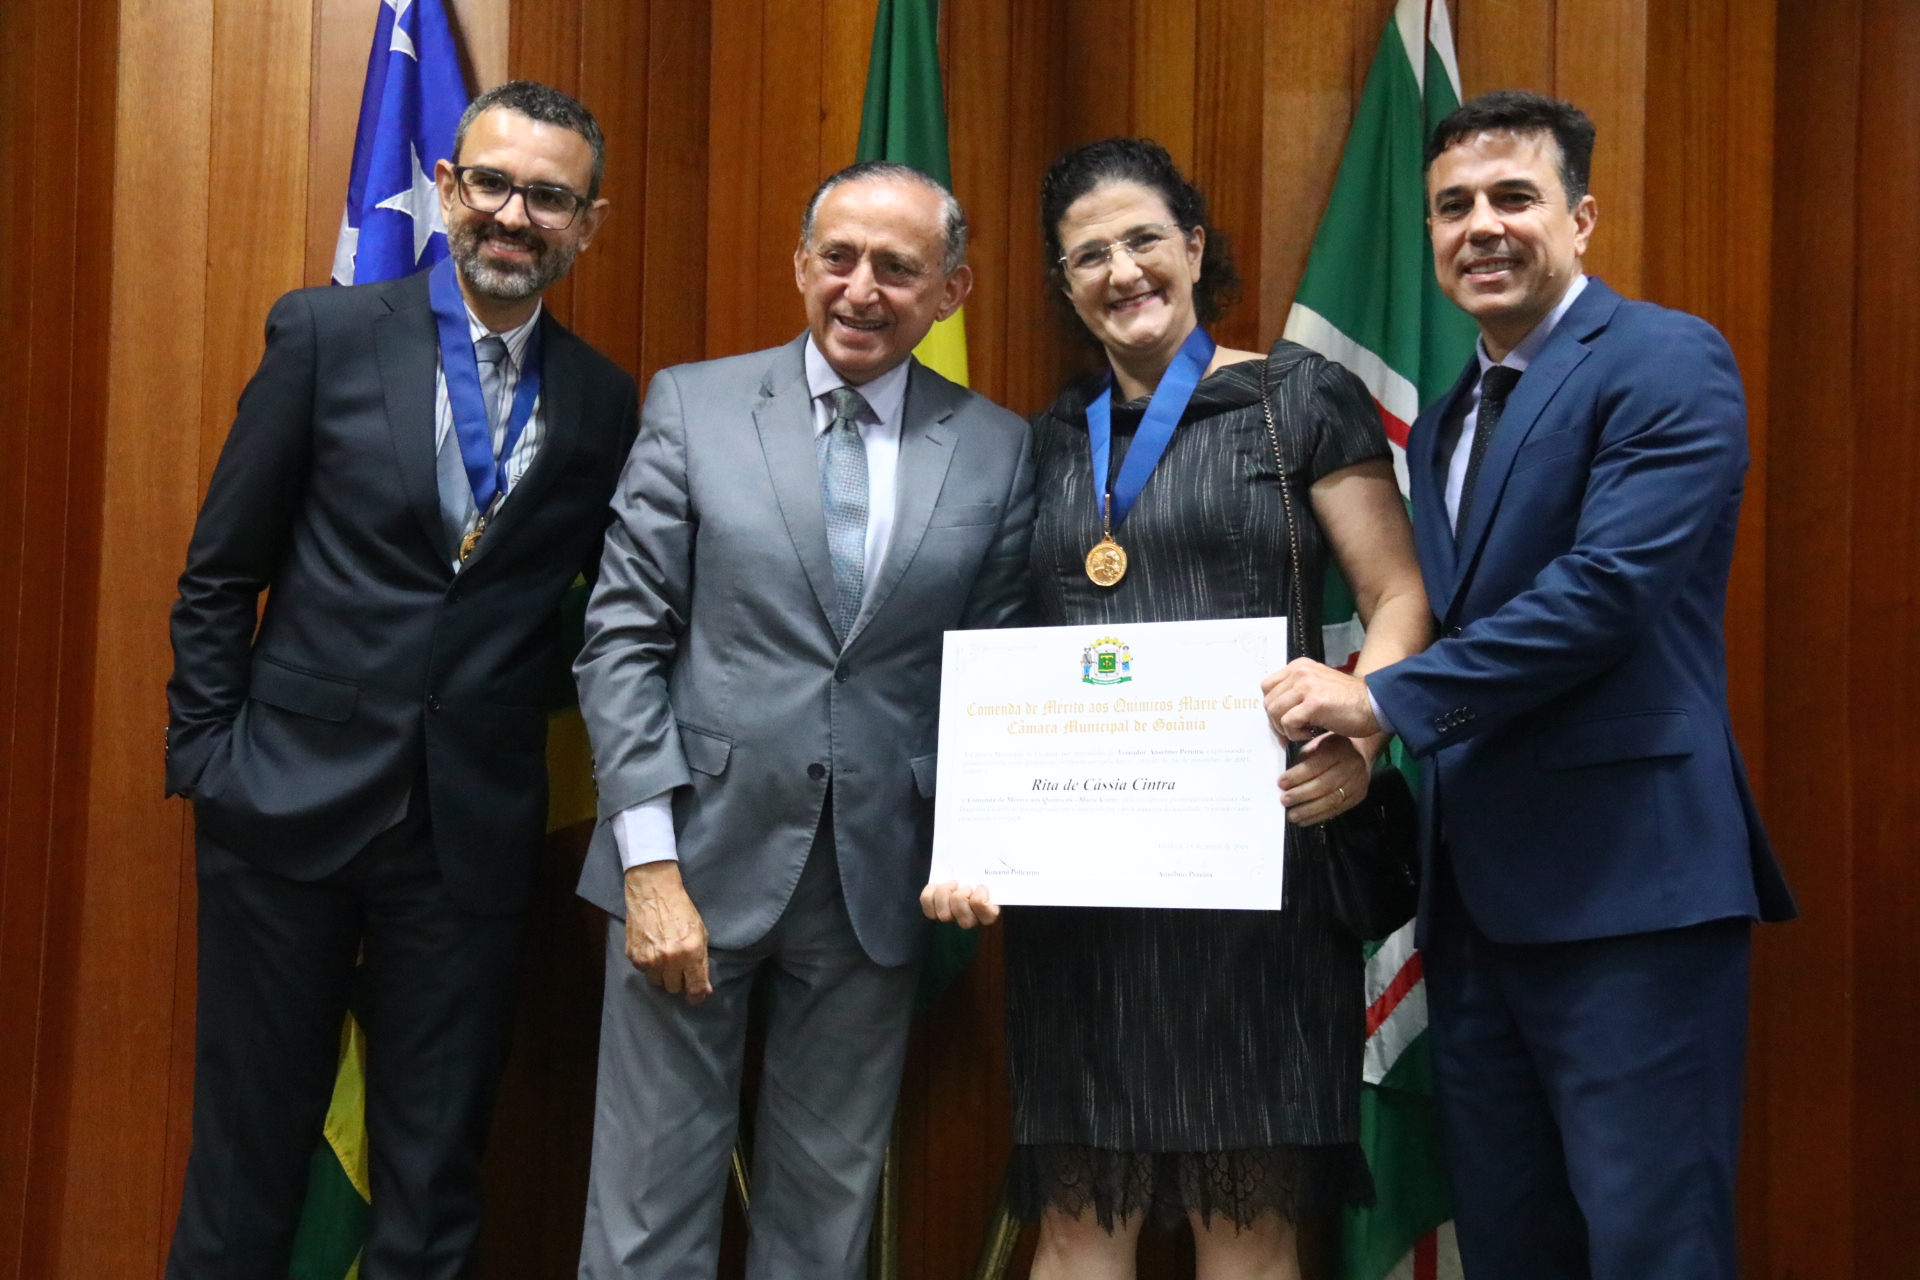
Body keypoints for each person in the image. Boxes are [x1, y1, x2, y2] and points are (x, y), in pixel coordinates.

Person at [1263, 91, 1798, 1280]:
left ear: (1582, 217)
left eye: (1515, 197)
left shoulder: (1664, 358)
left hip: (1630, 895)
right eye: (1453, 206)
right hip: (1478, 905)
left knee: (1652, 1240)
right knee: (1511, 1242)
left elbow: (1607, 592)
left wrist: (1381, 702)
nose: (1482, 227)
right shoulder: (1452, 412)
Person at [926, 137, 1431, 1280]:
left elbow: (1400, 596)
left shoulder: (1297, 399)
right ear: (1064, 284)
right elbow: (1008, 656)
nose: (1122, 270)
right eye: (1089, 254)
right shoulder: (1051, 440)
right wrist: (974, 834)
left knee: (1245, 1228)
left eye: (1145, 239)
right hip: (1085, 895)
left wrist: (1363, 711)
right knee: (1076, 1222)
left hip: (1259, 872)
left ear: (1195, 247)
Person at [162, 82, 636, 1279]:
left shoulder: (602, 399)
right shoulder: (324, 335)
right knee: (245, 1165)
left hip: (467, 838)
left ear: (588, 224)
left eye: (549, 197)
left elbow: (609, 612)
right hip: (282, 809)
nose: (514, 215)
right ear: (448, 188)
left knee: (434, 1183)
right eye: (493, 183)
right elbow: (220, 571)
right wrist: (211, 761)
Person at [571, 160, 1034, 1280]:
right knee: (645, 1215)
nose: (861, 289)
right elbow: (621, 639)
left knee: (825, 1225)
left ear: (952, 291)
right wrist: (648, 864)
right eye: (839, 257)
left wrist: (980, 840)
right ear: (800, 265)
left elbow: (996, 672)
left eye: (898, 268)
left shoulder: (998, 446)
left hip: (878, 881)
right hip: (689, 859)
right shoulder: (695, 404)